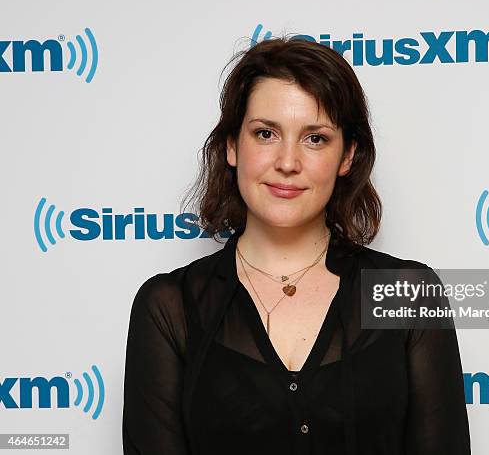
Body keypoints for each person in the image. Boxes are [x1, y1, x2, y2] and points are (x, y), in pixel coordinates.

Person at [122, 36, 471, 455]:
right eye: (266, 133)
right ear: (233, 146)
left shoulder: (409, 293)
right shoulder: (168, 307)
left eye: (315, 139)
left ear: (348, 156)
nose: (287, 162)